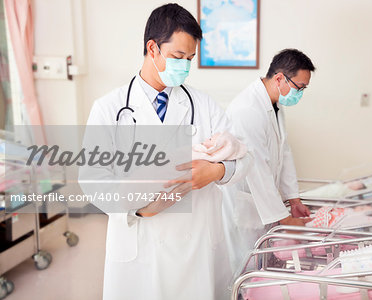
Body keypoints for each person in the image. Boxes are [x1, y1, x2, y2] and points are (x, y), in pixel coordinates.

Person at [79, 4, 249, 300]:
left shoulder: (203, 104)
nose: (184, 65)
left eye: (190, 59)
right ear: (152, 48)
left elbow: (243, 157)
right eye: (178, 57)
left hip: (195, 244)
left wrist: (216, 171)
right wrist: (140, 209)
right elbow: (92, 179)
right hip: (141, 240)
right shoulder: (109, 108)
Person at [222, 49, 315, 273]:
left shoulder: (274, 104)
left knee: (260, 264)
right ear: (280, 78)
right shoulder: (248, 110)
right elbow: (257, 168)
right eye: (299, 87)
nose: (300, 93)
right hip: (245, 204)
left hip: (261, 204)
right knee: (244, 266)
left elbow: (284, 151)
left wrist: (293, 198)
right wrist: (283, 219)